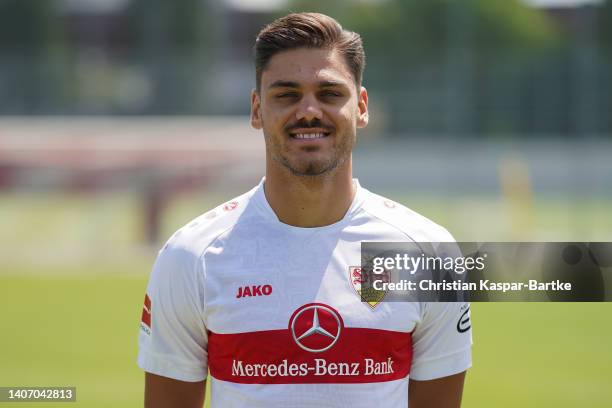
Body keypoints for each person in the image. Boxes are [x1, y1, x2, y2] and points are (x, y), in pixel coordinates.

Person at [137, 12, 472, 408]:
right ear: (257, 109)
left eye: (330, 93)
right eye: (287, 94)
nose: (309, 111)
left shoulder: (426, 252)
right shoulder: (192, 257)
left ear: (361, 107)